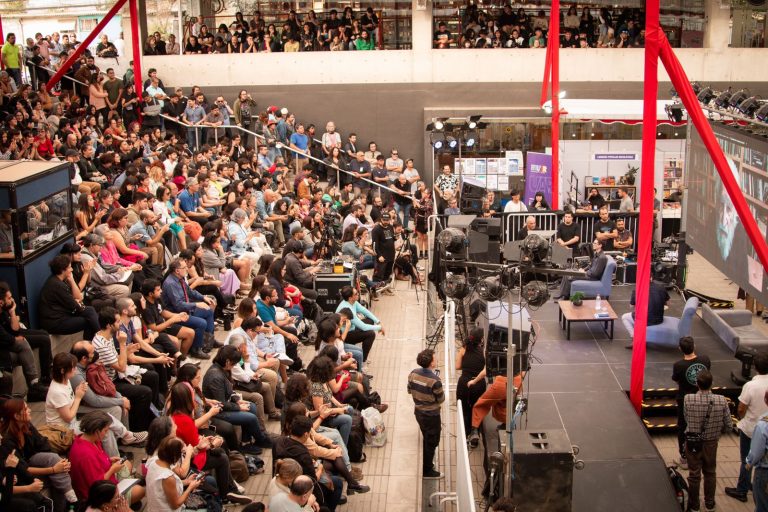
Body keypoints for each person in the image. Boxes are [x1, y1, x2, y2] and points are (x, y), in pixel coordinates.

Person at [167, 383, 252, 504]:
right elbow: (194, 445)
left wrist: (204, 440)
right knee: (221, 456)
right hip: (189, 458)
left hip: (186, 452)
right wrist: (211, 444)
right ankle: (227, 492)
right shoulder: (184, 419)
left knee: (220, 449)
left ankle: (230, 488)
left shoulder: (172, 414)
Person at [0, 397, 79, 510]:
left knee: (55, 460)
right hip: (18, 474)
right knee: (56, 474)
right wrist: (53, 469)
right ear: (17, 416)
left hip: (29, 461)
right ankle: (71, 501)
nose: (30, 410)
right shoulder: (7, 440)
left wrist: (60, 462)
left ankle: (69, 501)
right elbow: (21, 468)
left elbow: (43, 443)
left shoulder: (26, 425)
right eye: (26, 409)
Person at [91, 307, 156, 432]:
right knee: (144, 392)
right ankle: (138, 429)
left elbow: (117, 358)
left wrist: (127, 350)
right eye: (117, 322)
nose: (120, 324)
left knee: (151, 376)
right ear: (109, 325)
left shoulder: (107, 336)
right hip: (110, 383)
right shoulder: (101, 344)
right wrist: (122, 344)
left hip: (117, 375)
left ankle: (152, 415)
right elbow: (121, 367)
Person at [202, 345, 273, 451]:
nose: (234, 365)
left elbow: (229, 391)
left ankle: (246, 441)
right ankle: (261, 439)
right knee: (251, 417)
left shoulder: (222, 369)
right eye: (234, 363)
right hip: (217, 411)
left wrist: (238, 400)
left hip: (224, 404)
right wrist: (238, 407)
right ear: (227, 362)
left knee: (252, 406)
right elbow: (221, 403)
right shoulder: (215, 377)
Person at [69, 411, 146, 504]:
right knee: (140, 491)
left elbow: (97, 462)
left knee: (127, 463)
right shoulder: (85, 454)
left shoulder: (91, 440)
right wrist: (112, 470)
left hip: (106, 477)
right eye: (105, 431)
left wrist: (109, 460)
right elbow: (96, 485)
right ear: (97, 431)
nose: (106, 434)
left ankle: (128, 495)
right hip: (99, 495)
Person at [683, 369, 732, 512]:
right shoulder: (721, 400)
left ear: (697, 384)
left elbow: (686, 419)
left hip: (693, 442)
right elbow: (729, 425)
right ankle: (710, 504)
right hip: (711, 443)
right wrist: (717, 431)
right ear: (712, 384)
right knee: (710, 472)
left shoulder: (688, 399)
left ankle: (694, 505)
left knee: (694, 474)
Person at [272, 415, 344, 510]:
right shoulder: (303, 454)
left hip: (283, 482)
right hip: (301, 490)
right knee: (337, 482)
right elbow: (313, 480)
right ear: (306, 434)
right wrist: (320, 468)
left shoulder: (278, 441)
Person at [726, 352, 768, 503]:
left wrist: (741, 418)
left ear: (755, 367)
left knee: (747, 460)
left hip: (751, 429)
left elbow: (741, 408)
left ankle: (742, 489)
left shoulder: (750, 385)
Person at [0, 281, 50, 401]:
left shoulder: (3, 312)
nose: (12, 300)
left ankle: (35, 386)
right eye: (9, 298)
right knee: (23, 345)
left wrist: (12, 312)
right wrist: (13, 339)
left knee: (35, 340)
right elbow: (5, 338)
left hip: (7, 347)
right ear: (1, 301)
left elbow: (15, 331)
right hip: (2, 353)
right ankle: (35, 386)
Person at [670, 337, 711, 470]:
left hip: (685, 400)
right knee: (702, 425)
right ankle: (702, 455)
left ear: (680, 349)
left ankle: (684, 457)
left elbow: (677, 380)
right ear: (694, 346)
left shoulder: (679, 365)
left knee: (683, 427)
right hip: (703, 399)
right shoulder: (705, 360)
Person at [162, 258, 217, 357]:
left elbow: (190, 292)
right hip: (177, 314)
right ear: (177, 270)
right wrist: (196, 304)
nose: (187, 269)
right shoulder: (170, 284)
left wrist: (203, 297)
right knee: (201, 323)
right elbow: (178, 305)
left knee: (208, 311)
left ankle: (210, 341)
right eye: (184, 267)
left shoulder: (180, 278)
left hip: (186, 309)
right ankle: (196, 349)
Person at [38, 254, 100, 340]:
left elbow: (77, 298)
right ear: (63, 270)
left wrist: (71, 280)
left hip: (62, 314)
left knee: (90, 311)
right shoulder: (57, 285)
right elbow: (74, 305)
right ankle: (99, 339)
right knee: (89, 319)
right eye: (69, 267)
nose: (72, 269)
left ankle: (98, 340)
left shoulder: (58, 279)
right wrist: (77, 303)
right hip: (54, 322)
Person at [407, 349, 444, 479]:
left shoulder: (413, 373)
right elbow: (441, 399)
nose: (436, 359)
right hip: (431, 415)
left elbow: (409, 390)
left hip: (418, 412)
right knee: (432, 441)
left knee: (426, 435)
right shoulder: (435, 381)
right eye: (435, 358)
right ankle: (427, 470)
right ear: (431, 363)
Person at [145, 436, 202, 512]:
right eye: (181, 454)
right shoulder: (168, 477)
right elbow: (175, 505)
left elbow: (164, 487)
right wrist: (190, 488)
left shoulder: (153, 462)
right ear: (175, 456)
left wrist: (187, 481)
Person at [335, 286, 382, 363]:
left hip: (351, 327)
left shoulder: (352, 302)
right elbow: (363, 327)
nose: (358, 294)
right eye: (356, 294)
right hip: (346, 334)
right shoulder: (347, 309)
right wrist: (380, 327)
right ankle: (363, 359)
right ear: (350, 298)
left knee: (370, 321)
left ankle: (361, 354)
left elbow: (364, 311)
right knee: (370, 334)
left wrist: (377, 321)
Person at [621, 272, 670, 347]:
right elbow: (666, 303)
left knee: (625, 317)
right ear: (651, 278)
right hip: (659, 319)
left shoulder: (638, 289)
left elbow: (631, 305)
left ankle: (635, 338)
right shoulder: (661, 287)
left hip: (644, 319)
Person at [456, 327, 487, 435]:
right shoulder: (483, 352)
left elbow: (457, 366)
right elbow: (486, 369)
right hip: (478, 384)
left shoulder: (463, 349)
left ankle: (465, 432)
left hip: (464, 382)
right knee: (477, 408)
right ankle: (475, 432)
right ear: (481, 339)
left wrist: (466, 366)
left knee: (464, 408)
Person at [745, 390, 768, 512]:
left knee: (762, 506)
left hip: (765, 472)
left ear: (765, 399)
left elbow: (757, 452)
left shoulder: (763, 425)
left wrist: (749, 462)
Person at [371, 212, 396, 283]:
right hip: (382, 256)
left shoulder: (390, 227)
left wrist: (395, 238)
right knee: (378, 275)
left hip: (390, 255)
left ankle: (385, 288)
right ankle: (375, 289)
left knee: (387, 274)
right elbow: (374, 244)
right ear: (381, 219)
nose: (386, 221)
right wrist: (379, 255)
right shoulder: (376, 229)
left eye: (387, 220)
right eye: (384, 220)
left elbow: (390, 238)